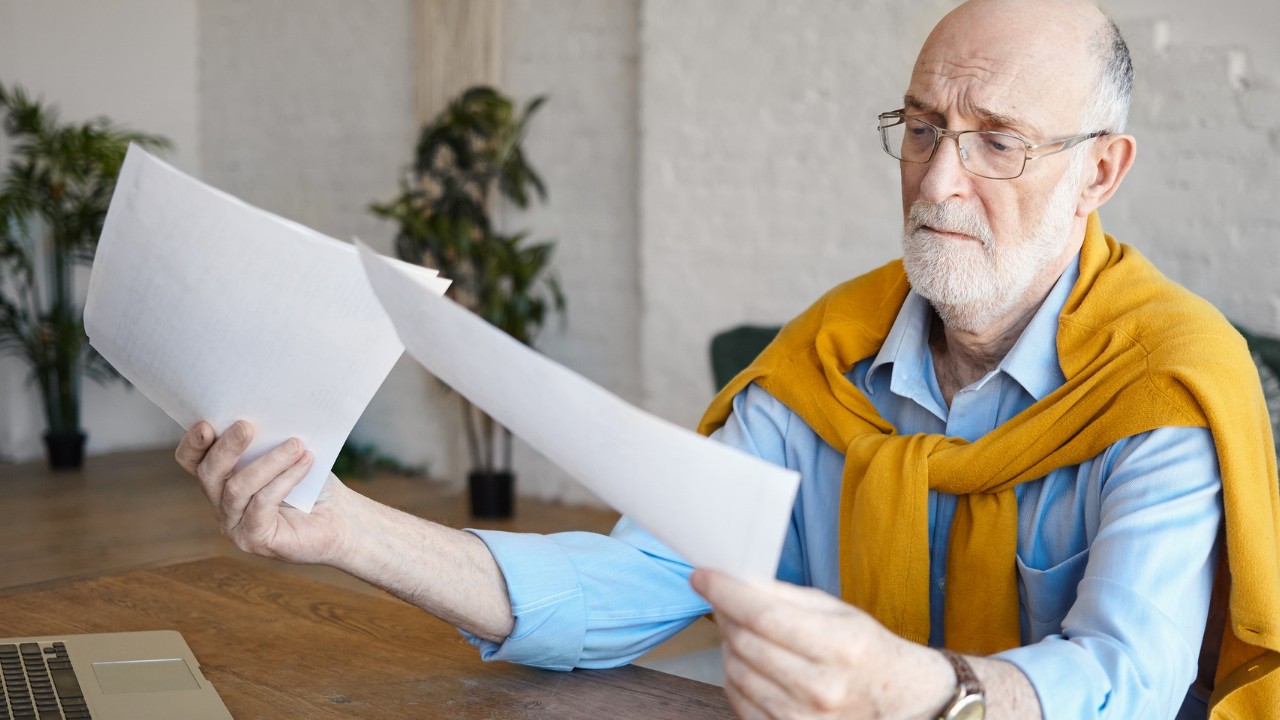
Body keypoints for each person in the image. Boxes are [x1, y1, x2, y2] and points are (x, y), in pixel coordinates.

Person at [174, 1, 1280, 718]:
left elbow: (1129, 679)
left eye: (998, 141)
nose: (939, 181)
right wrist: (340, 526)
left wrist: (925, 693)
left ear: (1098, 173)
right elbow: (637, 581)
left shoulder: (1163, 379)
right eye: (921, 128)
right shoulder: (824, 360)